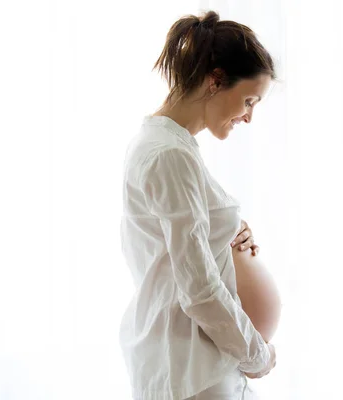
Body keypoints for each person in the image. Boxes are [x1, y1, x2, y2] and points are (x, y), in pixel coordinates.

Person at [119, 11, 281, 400]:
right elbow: (200, 290)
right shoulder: (168, 154)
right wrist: (257, 355)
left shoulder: (170, 146)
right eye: (248, 100)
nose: (249, 116)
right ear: (215, 81)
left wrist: (229, 228)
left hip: (199, 365)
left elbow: (184, 247)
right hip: (193, 369)